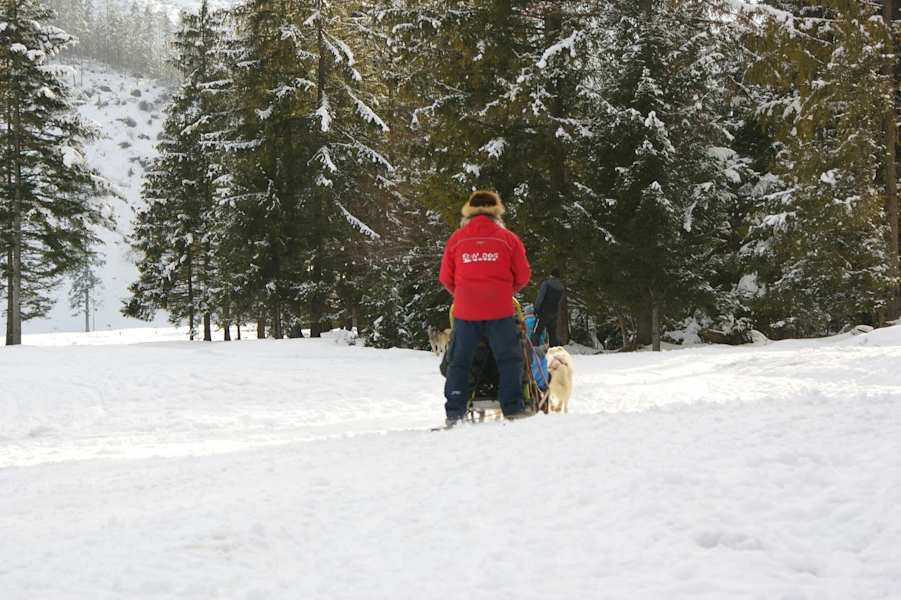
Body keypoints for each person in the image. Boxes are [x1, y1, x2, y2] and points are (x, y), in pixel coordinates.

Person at [439, 190, 531, 425]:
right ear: (497, 212)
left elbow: (445, 277)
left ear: (468, 213)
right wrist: (504, 292)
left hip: (465, 311)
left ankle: (455, 411)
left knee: (459, 360)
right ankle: (512, 408)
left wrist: (462, 294)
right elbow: (523, 275)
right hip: (499, 310)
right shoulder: (508, 238)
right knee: (509, 359)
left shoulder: (457, 239)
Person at [533, 269, 565, 347]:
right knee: (552, 333)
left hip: (544, 311)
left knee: (537, 331)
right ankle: (554, 351)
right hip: (554, 312)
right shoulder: (561, 287)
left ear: (551, 275)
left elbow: (540, 297)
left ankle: (534, 350)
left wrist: (536, 308)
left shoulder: (546, 284)